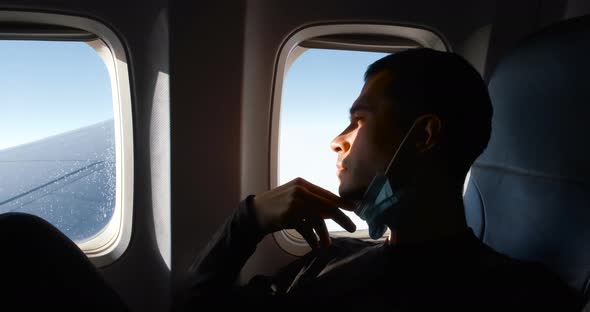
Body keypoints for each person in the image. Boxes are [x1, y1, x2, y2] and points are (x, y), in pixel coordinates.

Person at [181, 48, 582, 310]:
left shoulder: (517, 295)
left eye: (359, 120)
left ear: (423, 136)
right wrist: (247, 220)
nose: (337, 141)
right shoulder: (328, 258)